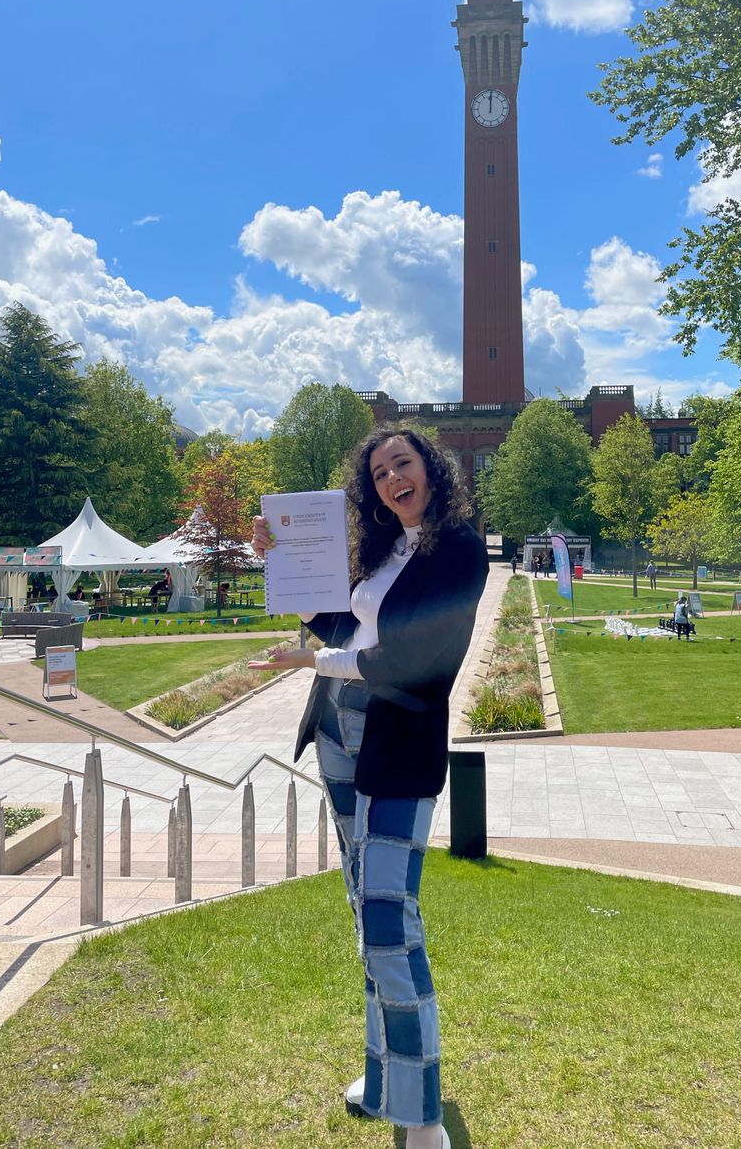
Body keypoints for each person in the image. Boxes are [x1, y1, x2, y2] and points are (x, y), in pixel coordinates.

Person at [249, 425, 488, 1149]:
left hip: (398, 744)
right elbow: (339, 625)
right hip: (339, 734)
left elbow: (416, 658)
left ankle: (421, 1117)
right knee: (365, 913)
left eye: (402, 464)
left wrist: (319, 661)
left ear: (430, 470)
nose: (391, 478)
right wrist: (278, 561)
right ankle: (385, 1077)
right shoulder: (384, 551)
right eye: (380, 472)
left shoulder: (460, 549)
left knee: (391, 922)